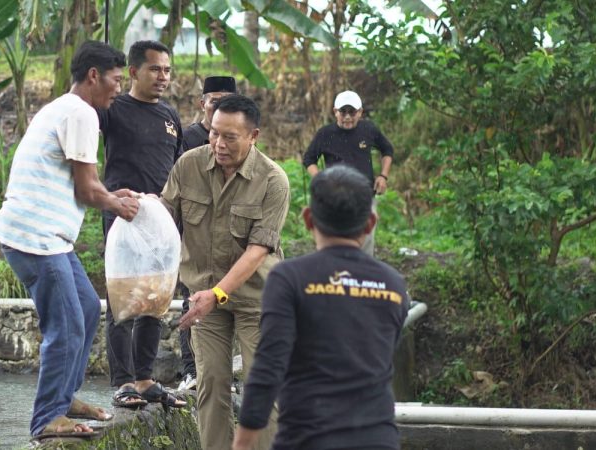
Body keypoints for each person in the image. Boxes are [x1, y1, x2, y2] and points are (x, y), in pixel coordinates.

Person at [0, 41, 140, 438]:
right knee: (68, 324)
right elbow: (87, 191)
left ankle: (64, 395)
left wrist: (113, 195)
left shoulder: (65, 109)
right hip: (36, 237)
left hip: (46, 236)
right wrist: (115, 204)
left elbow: (86, 184)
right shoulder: (80, 112)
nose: (118, 88)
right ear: (94, 75)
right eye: (115, 79)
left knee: (88, 308)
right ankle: (46, 419)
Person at [233, 165, 410, 450]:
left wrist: (242, 443)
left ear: (307, 219)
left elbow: (268, 365)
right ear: (371, 223)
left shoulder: (290, 278)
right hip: (378, 440)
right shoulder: (393, 285)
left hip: (307, 438)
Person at [161, 94, 290, 450]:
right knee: (211, 382)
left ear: (254, 136)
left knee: (261, 384)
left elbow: (257, 251)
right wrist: (132, 207)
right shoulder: (188, 165)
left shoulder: (273, 181)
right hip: (202, 296)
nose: (218, 143)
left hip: (256, 298)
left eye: (230, 137)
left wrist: (217, 295)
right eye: (214, 133)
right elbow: (163, 215)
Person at [98, 40, 186, 409]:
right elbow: (83, 153)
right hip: (122, 215)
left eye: (167, 70)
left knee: (154, 297)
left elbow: (179, 169)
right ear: (133, 72)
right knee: (123, 297)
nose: (163, 76)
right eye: (155, 69)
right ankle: (122, 383)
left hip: (160, 220)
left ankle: (146, 379)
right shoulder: (112, 109)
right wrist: (108, 197)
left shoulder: (169, 117)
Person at [178, 75, 237, 392]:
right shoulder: (187, 138)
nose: (219, 105)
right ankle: (191, 371)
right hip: (193, 235)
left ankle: (223, 375)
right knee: (192, 302)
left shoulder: (239, 138)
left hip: (228, 236)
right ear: (202, 103)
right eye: (214, 99)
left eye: (227, 100)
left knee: (226, 302)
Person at [302, 90, 395, 256]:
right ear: (335, 112)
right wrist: (321, 179)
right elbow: (309, 159)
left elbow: (387, 150)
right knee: (334, 238)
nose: (347, 117)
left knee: (365, 239)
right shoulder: (325, 134)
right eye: (343, 112)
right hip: (334, 195)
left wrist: (383, 176)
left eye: (352, 112)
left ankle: (362, 273)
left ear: (360, 112)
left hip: (364, 194)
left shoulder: (369, 130)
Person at [181, 75, 238, 151]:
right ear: (203, 105)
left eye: (228, 101)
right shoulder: (186, 138)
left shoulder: (241, 136)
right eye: (215, 102)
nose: (221, 107)